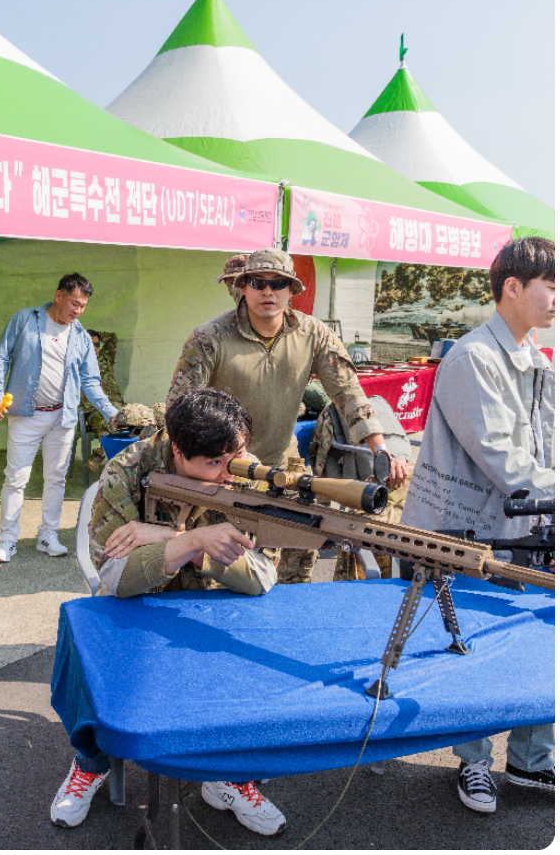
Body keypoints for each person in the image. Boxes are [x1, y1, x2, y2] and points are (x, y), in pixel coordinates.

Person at [50, 388, 286, 837]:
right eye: (215, 463)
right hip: (135, 604)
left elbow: (262, 575)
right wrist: (190, 540)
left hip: (207, 601)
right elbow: (116, 579)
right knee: (94, 660)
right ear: (179, 451)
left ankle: (226, 776)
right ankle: (90, 763)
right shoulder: (128, 470)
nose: (229, 472)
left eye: (235, 454)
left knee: (241, 670)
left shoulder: (243, 469)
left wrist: (168, 539)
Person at [400, 237, 555, 814]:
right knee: (469, 647)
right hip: (467, 531)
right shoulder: (472, 357)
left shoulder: (535, 360)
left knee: (535, 640)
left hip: (527, 528)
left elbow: (547, 448)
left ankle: (532, 761)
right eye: (550, 283)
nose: (556, 296)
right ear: (511, 287)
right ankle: (472, 763)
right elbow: (498, 455)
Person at [167, 249, 408, 584]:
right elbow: (179, 412)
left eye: (278, 283)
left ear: (292, 290)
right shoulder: (209, 338)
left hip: (285, 473)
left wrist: (379, 447)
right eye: (258, 282)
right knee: (221, 581)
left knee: (294, 578)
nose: (268, 291)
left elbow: (348, 393)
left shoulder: (313, 334)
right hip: (223, 478)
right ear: (243, 286)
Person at [0, 273, 118, 563]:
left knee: (56, 479)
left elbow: (91, 381)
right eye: (74, 303)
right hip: (25, 415)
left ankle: (48, 535)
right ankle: (7, 541)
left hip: (62, 417)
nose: (78, 310)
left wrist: (114, 414)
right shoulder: (24, 319)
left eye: (83, 306)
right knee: (16, 478)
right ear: (58, 295)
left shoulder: (81, 336)